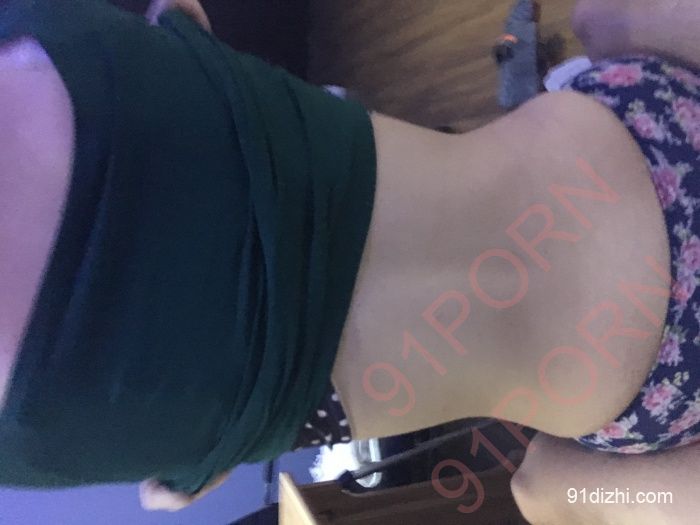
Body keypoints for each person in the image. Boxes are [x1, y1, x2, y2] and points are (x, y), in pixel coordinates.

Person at [0, 0, 698, 521]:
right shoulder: (35, 42)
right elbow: (181, 19)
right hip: (659, 122)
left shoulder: (37, 435)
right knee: (604, 19)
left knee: (545, 488)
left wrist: (190, 465)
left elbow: (546, 484)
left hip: (663, 383)